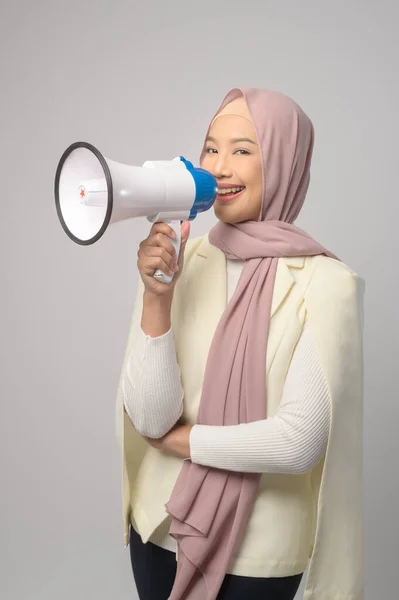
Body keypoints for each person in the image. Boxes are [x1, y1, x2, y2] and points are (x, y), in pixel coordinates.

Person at [115, 88, 365, 600]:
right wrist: (156, 297)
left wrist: (182, 442)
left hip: (261, 550)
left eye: (243, 150)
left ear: (284, 162)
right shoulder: (183, 260)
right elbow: (148, 415)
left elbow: (297, 442)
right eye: (210, 148)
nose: (220, 167)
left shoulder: (326, 283)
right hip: (161, 530)